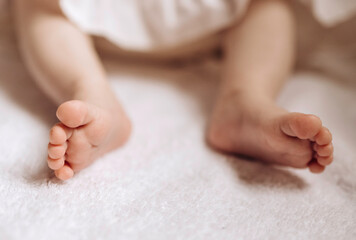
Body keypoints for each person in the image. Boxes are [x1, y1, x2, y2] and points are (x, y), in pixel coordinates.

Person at [12, 0, 333, 180]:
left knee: (269, 8)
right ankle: (91, 92)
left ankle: (246, 99)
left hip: (214, 14)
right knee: (35, 5)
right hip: (93, 13)